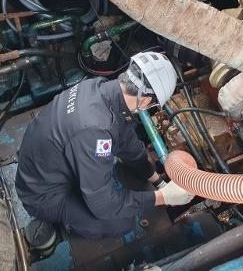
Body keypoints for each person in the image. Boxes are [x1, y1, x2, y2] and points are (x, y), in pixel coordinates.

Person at [15, 52, 195, 239]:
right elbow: (105, 205)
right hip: (42, 196)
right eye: (154, 105)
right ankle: (68, 225)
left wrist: (157, 180)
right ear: (146, 101)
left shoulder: (98, 87)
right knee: (122, 222)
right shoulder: (95, 131)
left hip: (45, 162)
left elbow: (126, 140)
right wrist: (163, 197)